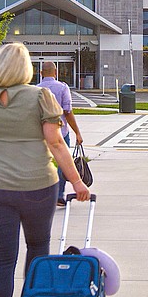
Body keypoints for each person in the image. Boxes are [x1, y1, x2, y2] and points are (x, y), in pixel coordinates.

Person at [0, 43, 91, 297]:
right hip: (36, 186)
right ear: (26, 68)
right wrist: (77, 181)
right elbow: (56, 142)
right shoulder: (41, 97)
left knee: (2, 257)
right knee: (37, 249)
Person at [37, 60, 84, 206]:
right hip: (61, 132)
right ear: (55, 73)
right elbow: (68, 112)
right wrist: (77, 132)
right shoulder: (63, 88)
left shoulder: (35, 90)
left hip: (39, 134)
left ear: (40, 74)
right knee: (63, 163)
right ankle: (58, 195)